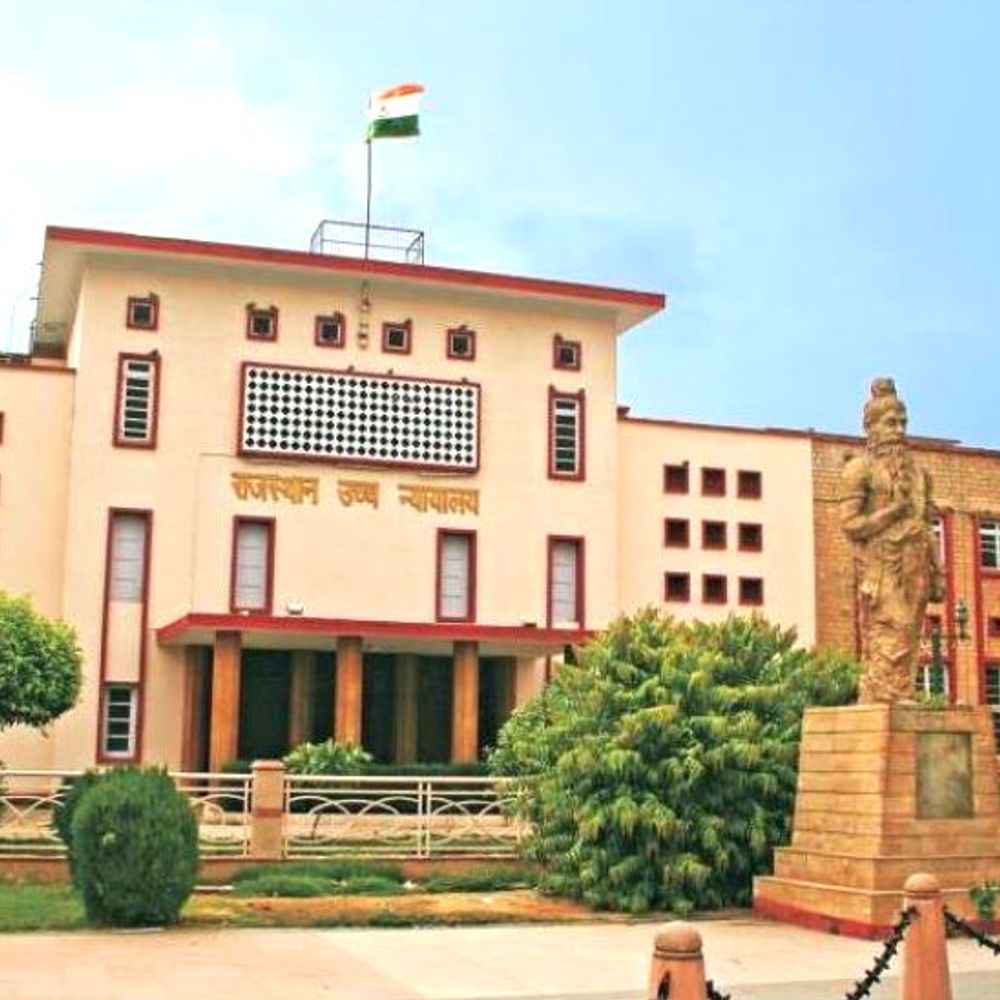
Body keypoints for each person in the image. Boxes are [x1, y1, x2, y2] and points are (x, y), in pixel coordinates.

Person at [839, 378, 944, 703]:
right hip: (881, 562)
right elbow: (850, 524)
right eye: (890, 423)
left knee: (911, 632)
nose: (898, 430)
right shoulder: (859, 469)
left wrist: (937, 572)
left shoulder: (920, 474)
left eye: (902, 423)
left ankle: (899, 694)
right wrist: (891, 513)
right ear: (870, 427)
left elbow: (927, 525)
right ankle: (882, 696)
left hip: (916, 561)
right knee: (889, 627)